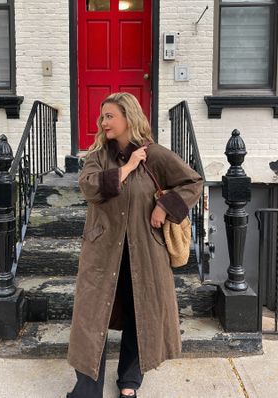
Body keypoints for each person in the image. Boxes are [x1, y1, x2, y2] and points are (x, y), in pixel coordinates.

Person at [66, 92, 203, 398]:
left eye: (109, 116)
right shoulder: (98, 155)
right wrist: (126, 169)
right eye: (102, 117)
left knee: (140, 315)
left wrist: (164, 207)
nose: (103, 122)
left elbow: (193, 182)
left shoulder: (155, 155)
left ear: (129, 117)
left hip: (145, 253)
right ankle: (86, 390)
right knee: (90, 320)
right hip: (102, 253)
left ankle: (130, 382)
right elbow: (89, 187)